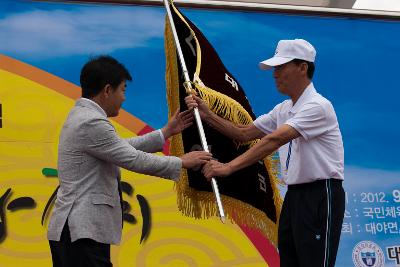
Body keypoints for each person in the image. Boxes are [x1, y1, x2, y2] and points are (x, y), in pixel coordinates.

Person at [186, 39, 345, 267]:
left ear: (303, 67)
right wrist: (207, 115)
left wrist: (228, 168)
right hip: (294, 196)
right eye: (274, 69)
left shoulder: (319, 106)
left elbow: (275, 139)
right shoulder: (283, 109)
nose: (275, 74)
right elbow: (243, 133)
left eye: (281, 67)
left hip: (321, 193)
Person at [47, 55, 212, 267]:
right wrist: (181, 162)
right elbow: (132, 158)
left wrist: (165, 133)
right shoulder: (91, 122)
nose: (124, 98)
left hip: (77, 230)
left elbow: (119, 148)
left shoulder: (83, 116)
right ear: (107, 90)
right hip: (81, 231)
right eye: (123, 90)